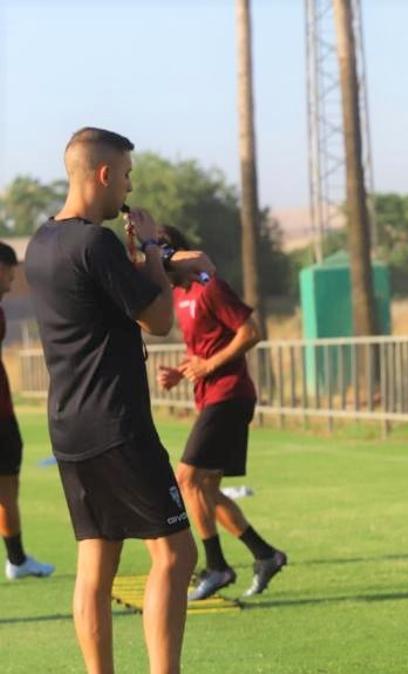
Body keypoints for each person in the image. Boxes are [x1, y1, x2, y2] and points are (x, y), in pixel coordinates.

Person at [25, 127, 213, 674]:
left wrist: (158, 264)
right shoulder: (95, 241)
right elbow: (157, 321)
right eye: (127, 175)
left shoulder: (42, 242)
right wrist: (153, 247)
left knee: (96, 562)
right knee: (176, 554)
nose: (128, 188)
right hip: (117, 423)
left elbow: (100, 296)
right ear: (105, 174)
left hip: (68, 425)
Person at [155, 225, 286, 599]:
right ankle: (265, 555)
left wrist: (209, 367)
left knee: (188, 480)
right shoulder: (179, 297)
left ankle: (216, 567)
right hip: (210, 396)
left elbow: (251, 332)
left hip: (229, 395)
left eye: (158, 254)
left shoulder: (209, 286)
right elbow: (204, 349)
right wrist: (182, 372)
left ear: (176, 254)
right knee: (206, 489)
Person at [0, 241, 55, 581]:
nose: (12, 279)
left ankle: (17, 559)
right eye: (9, 271)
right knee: (7, 489)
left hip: (4, 413)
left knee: (7, 490)